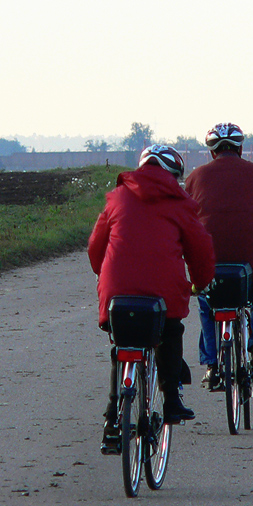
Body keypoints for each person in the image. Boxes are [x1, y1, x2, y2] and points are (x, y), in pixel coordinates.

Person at [88, 144, 216, 450]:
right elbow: (200, 251)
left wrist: (101, 274)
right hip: (162, 296)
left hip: (117, 295)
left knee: (122, 346)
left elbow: (96, 247)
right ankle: (171, 400)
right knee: (170, 331)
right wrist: (201, 282)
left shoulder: (117, 198)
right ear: (174, 175)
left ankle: (112, 420)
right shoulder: (180, 203)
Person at [184, 123, 253, 388]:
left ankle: (212, 365)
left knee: (207, 303)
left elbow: (185, 220)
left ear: (211, 151)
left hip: (211, 261)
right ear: (241, 148)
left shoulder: (196, 177)